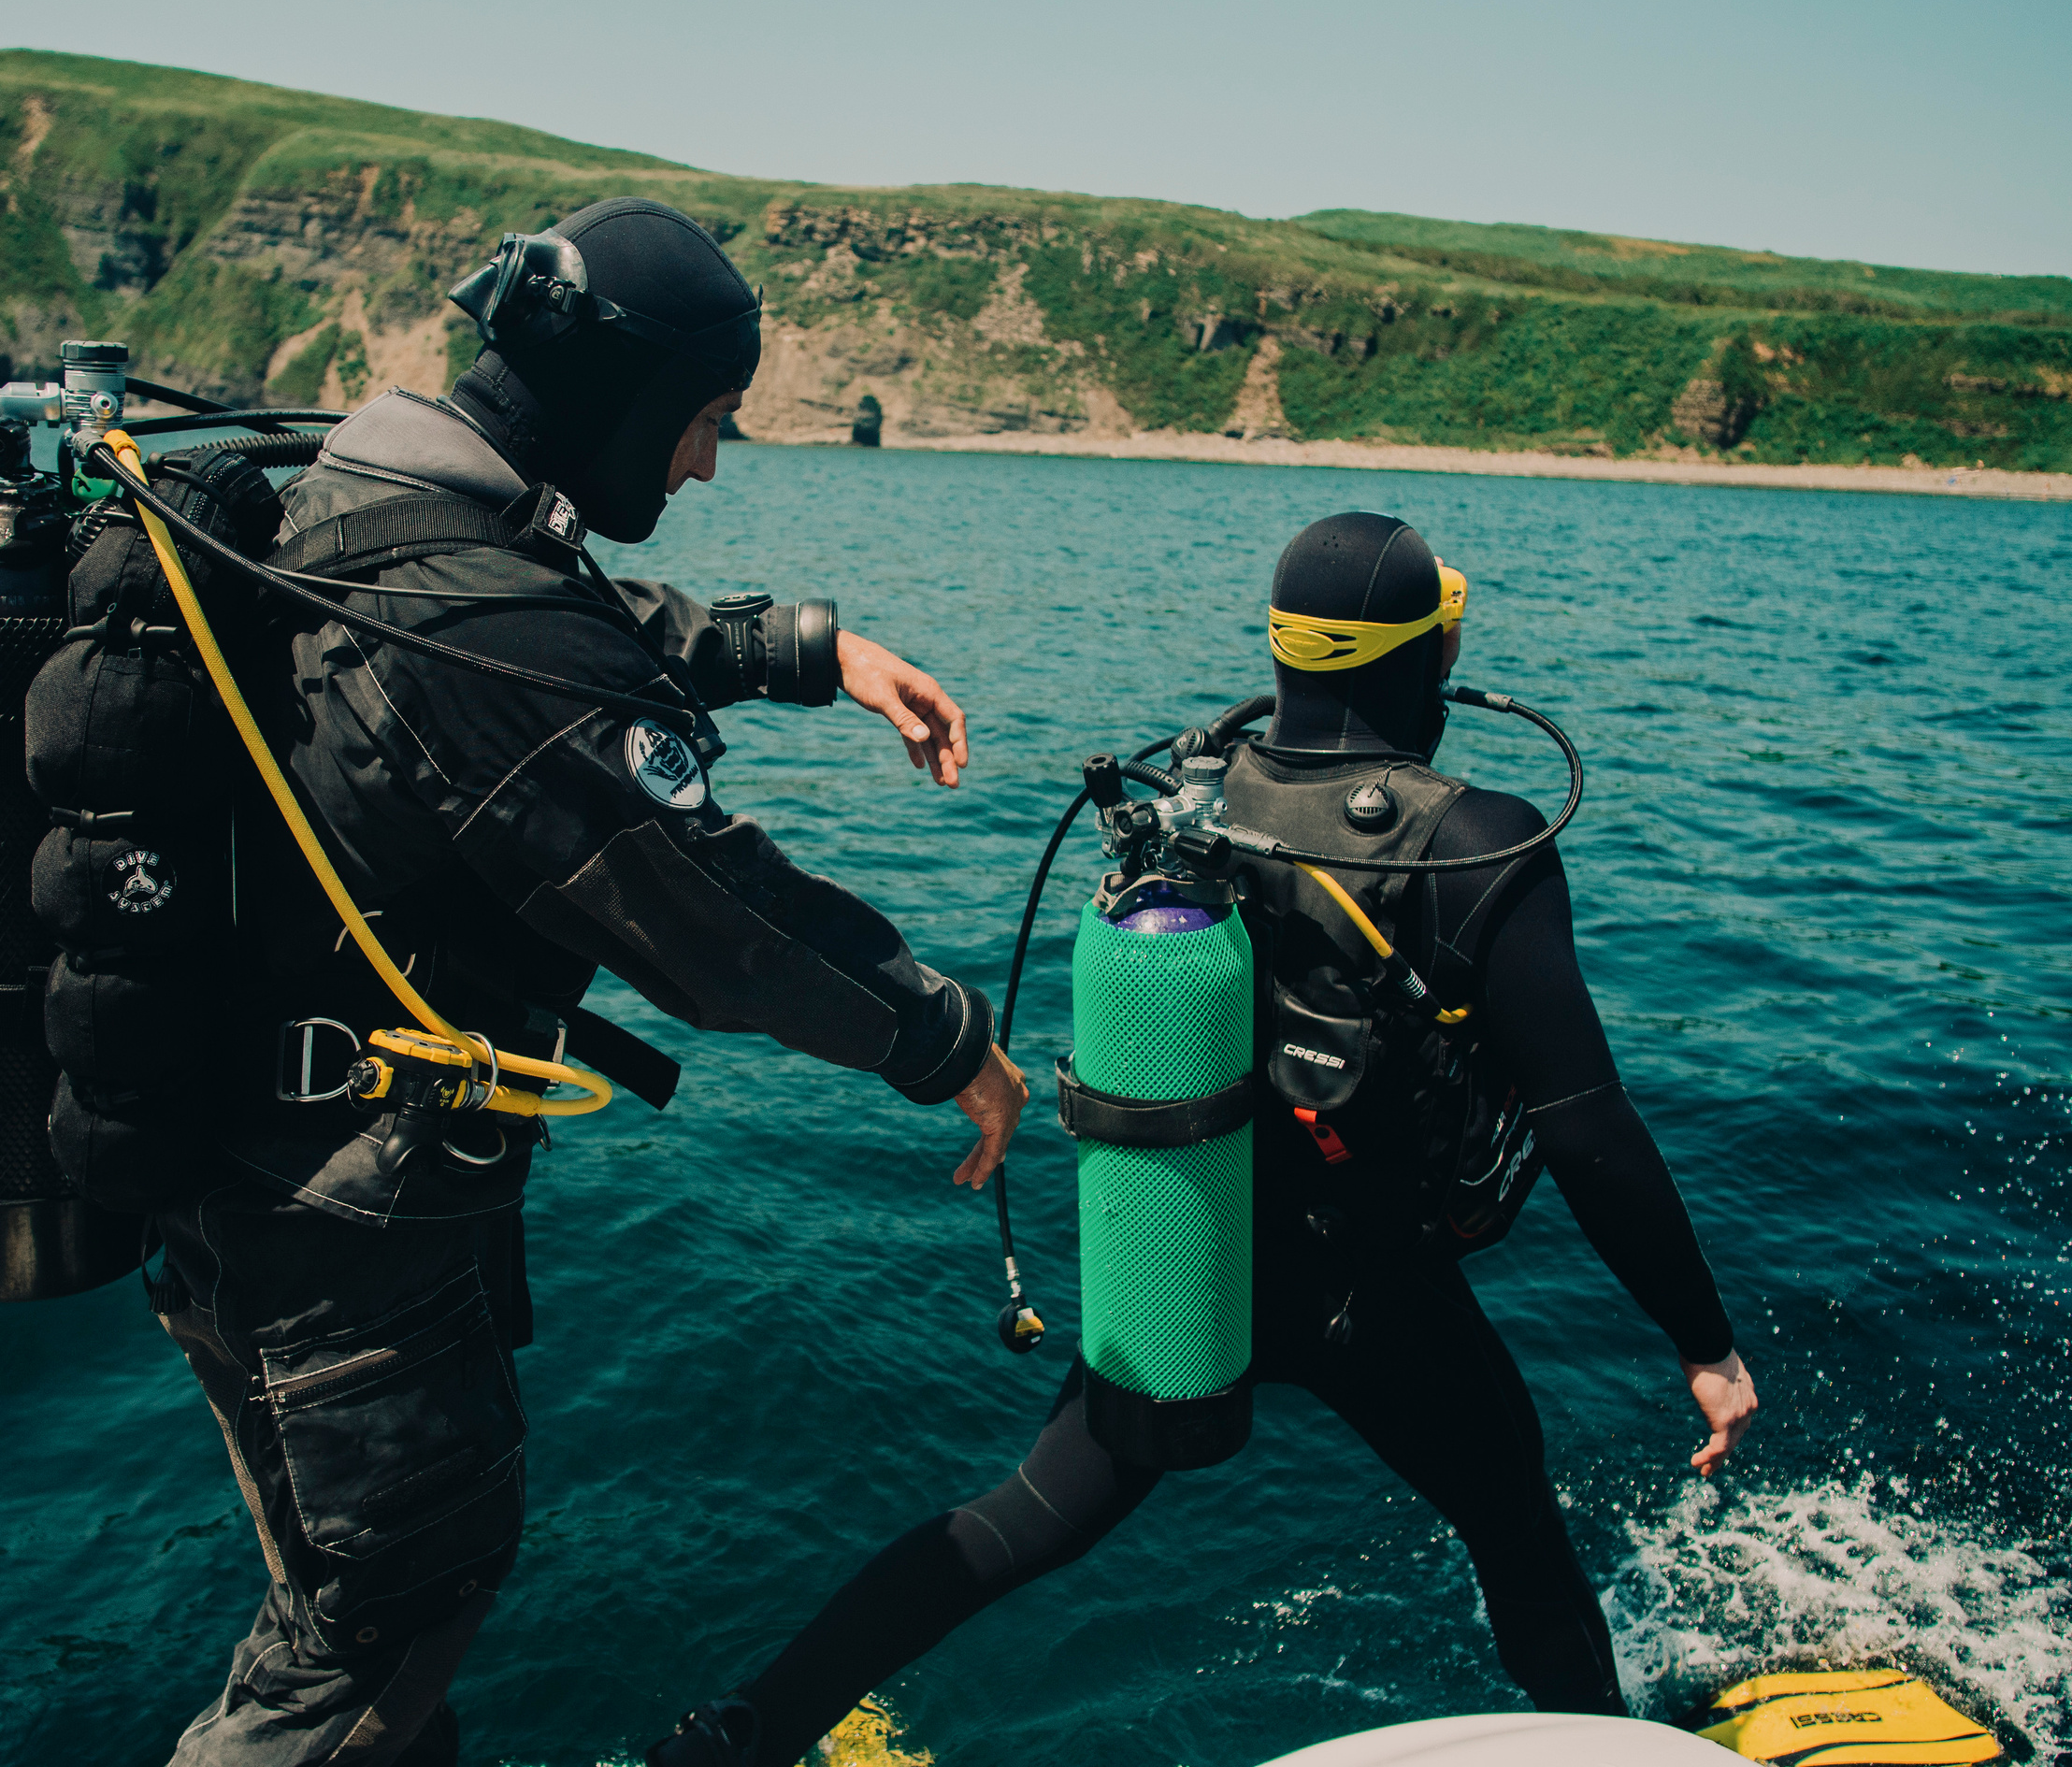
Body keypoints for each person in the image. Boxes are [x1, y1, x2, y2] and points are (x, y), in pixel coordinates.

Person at [650, 510, 1760, 1765]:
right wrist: (1703, 1343)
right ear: (1432, 654)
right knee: (1518, 1535)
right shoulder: (1472, 842)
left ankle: (741, 1735)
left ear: (1282, 648)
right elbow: (1589, 1129)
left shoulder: (1191, 800)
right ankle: (1606, 1746)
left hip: (1185, 1251)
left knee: (1020, 1520)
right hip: (1375, 1292)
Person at [148, 196, 1030, 1766]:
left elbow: (565, 619)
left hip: (234, 1169)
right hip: (341, 1227)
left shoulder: (367, 502)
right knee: (381, 1632)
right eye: (703, 421)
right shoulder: (477, 621)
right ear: (624, 405)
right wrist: (946, 1037)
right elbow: (717, 921)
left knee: (350, 1615)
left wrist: (804, 651)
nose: (704, 466)